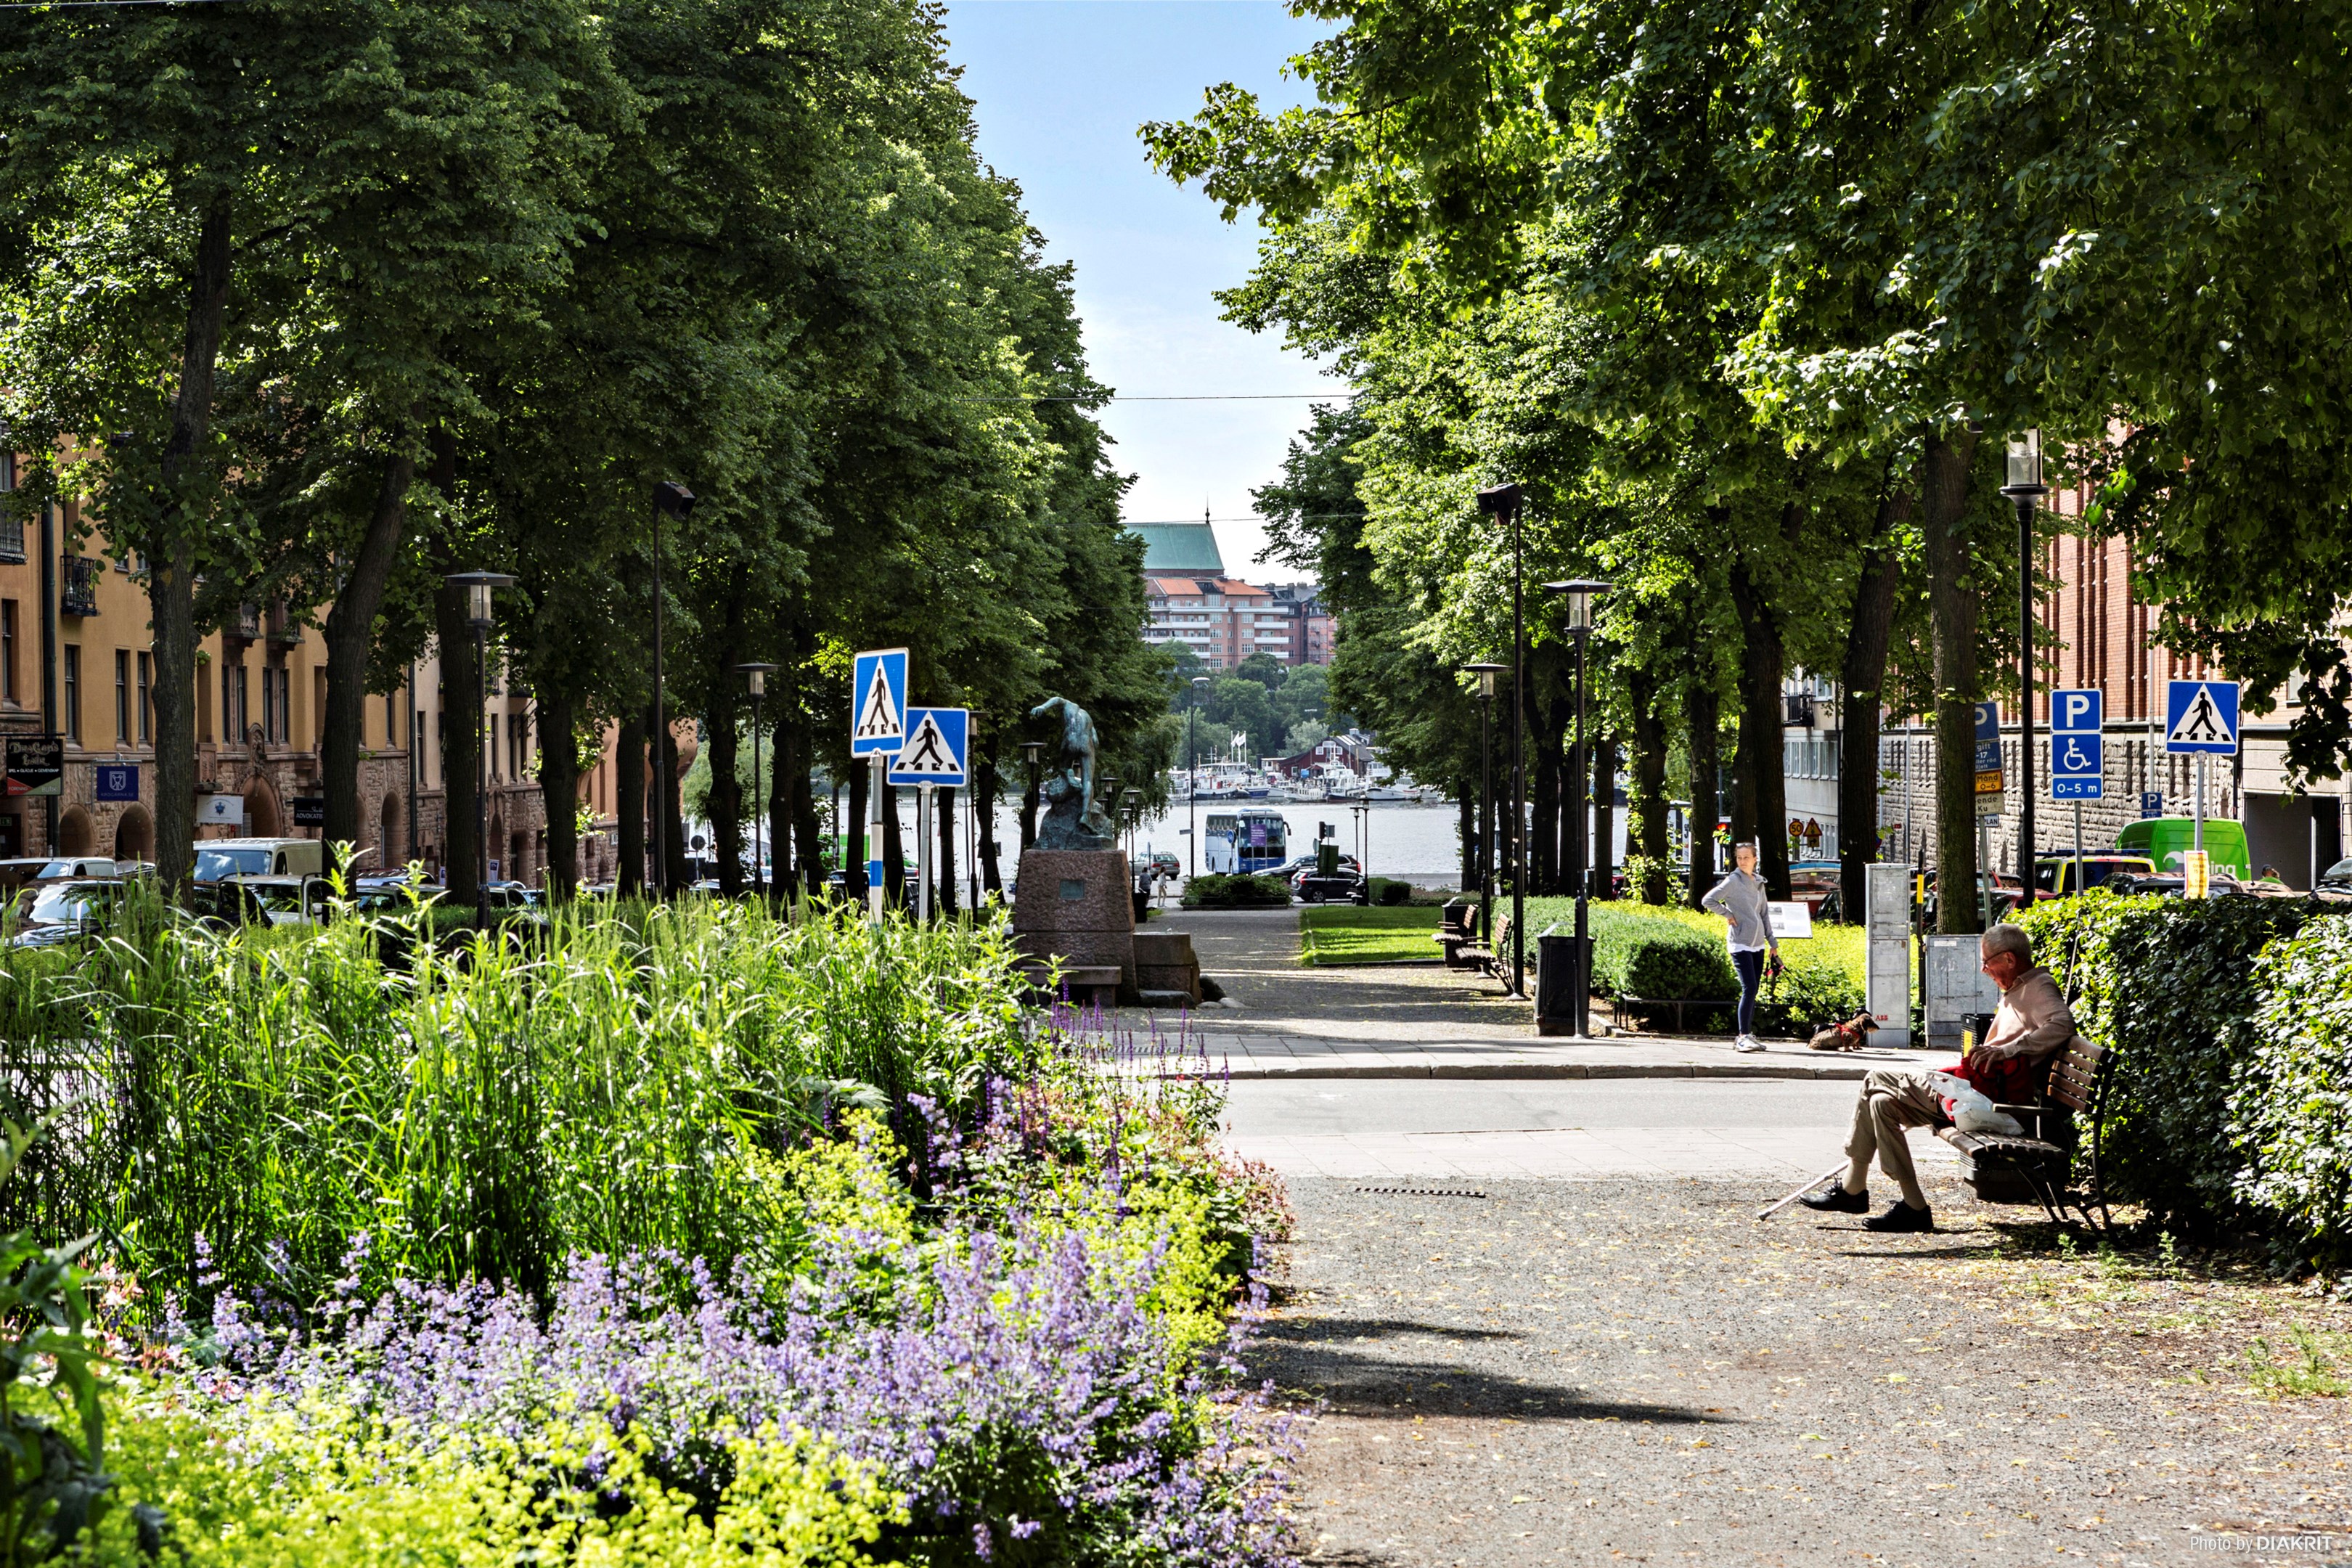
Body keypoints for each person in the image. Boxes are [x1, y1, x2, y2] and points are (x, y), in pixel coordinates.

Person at [1802, 923, 2082, 1233]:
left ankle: (1853, 1189)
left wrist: (2008, 1050)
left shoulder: (2038, 986)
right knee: (1882, 1104)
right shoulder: (2018, 988)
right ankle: (1914, 1207)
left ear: (2009, 959)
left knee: (1875, 1077)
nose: (1984, 970)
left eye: (1987, 962)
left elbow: (2063, 1024)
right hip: (1978, 1096)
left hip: (1988, 1103)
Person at [1700, 841, 1777, 1053]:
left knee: (1754, 990)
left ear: (1755, 859)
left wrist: (1773, 943)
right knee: (1749, 987)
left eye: (1746, 857)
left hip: (1758, 944)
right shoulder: (1733, 881)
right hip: (1740, 942)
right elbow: (1708, 900)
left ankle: (1747, 1035)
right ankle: (1743, 1037)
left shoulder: (1759, 882)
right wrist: (1728, 914)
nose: (1742, 861)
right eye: (1739, 858)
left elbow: (1764, 914)